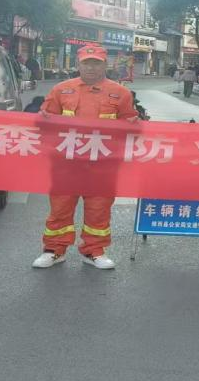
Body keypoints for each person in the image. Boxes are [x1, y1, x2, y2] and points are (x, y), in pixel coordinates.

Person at [34, 45, 140, 270]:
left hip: (102, 164)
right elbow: (43, 124)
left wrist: (134, 124)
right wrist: (42, 119)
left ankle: (94, 251)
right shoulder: (61, 90)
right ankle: (53, 250)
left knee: (99, 209)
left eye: (96, 63)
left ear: (105, 65)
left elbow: (132, 128)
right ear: (78, 64)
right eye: (86, 63)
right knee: (60, 207)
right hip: (66, 163)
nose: (91, 68)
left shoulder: (121, 93)